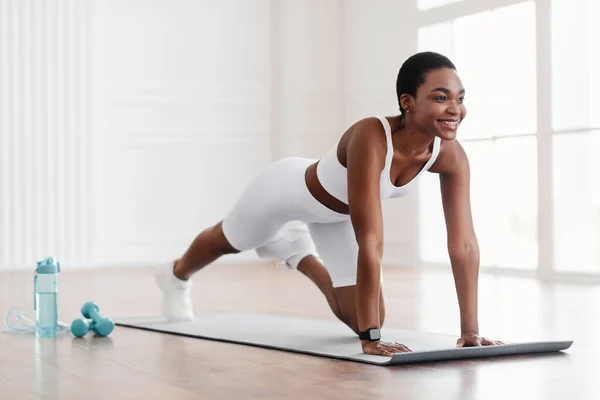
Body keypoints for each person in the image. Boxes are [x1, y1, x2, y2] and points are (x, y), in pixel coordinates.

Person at [155, 51, 503, 357]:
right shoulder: (371, 135)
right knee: (228, 241)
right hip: (284, 191)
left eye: (460, 98)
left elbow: (464, 243)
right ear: (407, 101)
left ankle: (298, 254)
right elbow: (370, 239)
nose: (455, 109)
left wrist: (469, 331)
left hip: (335, 217)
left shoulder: (451, 156)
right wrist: (372, 340)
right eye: (441, 97)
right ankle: (175, 275)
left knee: (368, 316)